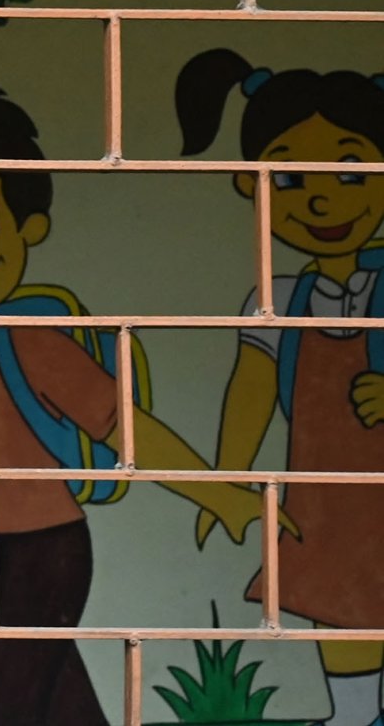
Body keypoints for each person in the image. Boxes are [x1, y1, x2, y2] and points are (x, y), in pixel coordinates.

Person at [0, 87, 279, 726]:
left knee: (6, 686)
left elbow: (122, 426)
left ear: (29, 231)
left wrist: (219, 493)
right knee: (43, 680)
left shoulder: (35, 346)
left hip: (45, 547)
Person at [176, 49, 384, 726]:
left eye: (351, 168)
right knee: (337, 602)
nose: (321, 195)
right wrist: (227, 478)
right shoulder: (279, 297)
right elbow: (253, 386)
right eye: (291, 176)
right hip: (323, 491)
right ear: (252, 185)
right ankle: (354, 713)